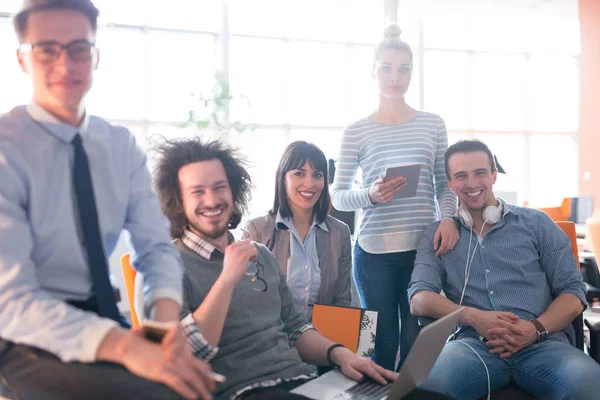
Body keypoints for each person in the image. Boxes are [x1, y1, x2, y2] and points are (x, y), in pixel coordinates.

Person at [136, 137, 462, 400]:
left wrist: (341, 355)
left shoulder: (260, 255)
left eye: (220, 187)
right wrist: (226, 280)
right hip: (245, 390)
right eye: (197, 191)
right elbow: (177, 355)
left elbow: (296, 328)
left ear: (234, 191)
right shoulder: (163, 266)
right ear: (177, 201)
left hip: (304, 381)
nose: (212, 199)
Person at [0, 1, 214, 399]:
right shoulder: (6, 149)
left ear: (95, 57)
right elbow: (9, 299)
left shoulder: (118, 146)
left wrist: (163, 330)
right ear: (22, 59)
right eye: (47, 49)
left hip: (101, 315)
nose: (66, 64)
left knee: (192, 383)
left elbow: (155, 247)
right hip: (20, 333)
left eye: (79, 48)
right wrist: (126, 347)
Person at [408, 139, 600, 399]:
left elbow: (573, 293)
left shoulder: (537, 223)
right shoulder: (438, 235)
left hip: (544, 343)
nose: (472, 183)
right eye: (461, 176)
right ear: (450, 183)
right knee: (421, 387)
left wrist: (534, 329)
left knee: (590, 387)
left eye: (480, 173)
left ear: (494, 175)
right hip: (473, 346)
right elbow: (419, 299)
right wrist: (475, 318)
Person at [330, 23, 458, 370]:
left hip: (423, 249)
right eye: (386, 68)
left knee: (417, 343)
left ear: (412, 73)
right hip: (373, 253)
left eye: (403, 69)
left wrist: (448, 218)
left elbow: (443, 185)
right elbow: (337, 196)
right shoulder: (356, 130)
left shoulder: (433, 123)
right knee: (378, 344)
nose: (394, 77)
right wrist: (370, 194)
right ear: (373, 72)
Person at [242, 141, 352, 320]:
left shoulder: (340, 233)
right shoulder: (257, 230)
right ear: (283, 178)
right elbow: (249, 299)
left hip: (321, 338)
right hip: (274, 336)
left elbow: (341, 301)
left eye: (317, 175)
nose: (310, 183)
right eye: (299, 174)